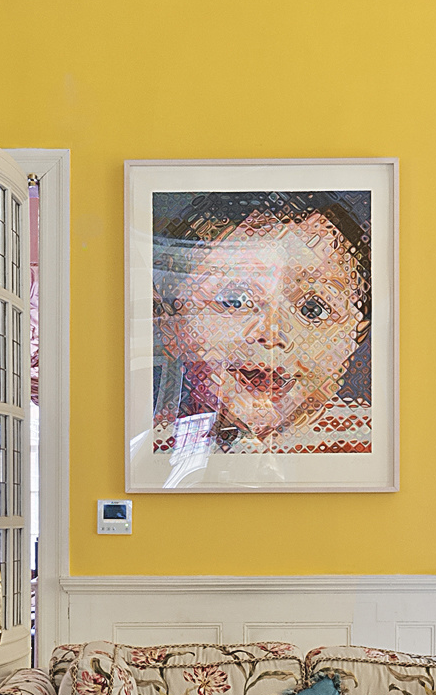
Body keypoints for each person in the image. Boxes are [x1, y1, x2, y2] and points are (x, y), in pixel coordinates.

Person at [138, 189, 373, 482]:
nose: (272, 333)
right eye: (234, 300)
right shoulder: (144, 457)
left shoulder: (364, 458)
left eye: (313, 309)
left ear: (356, 334)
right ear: (169, 321)